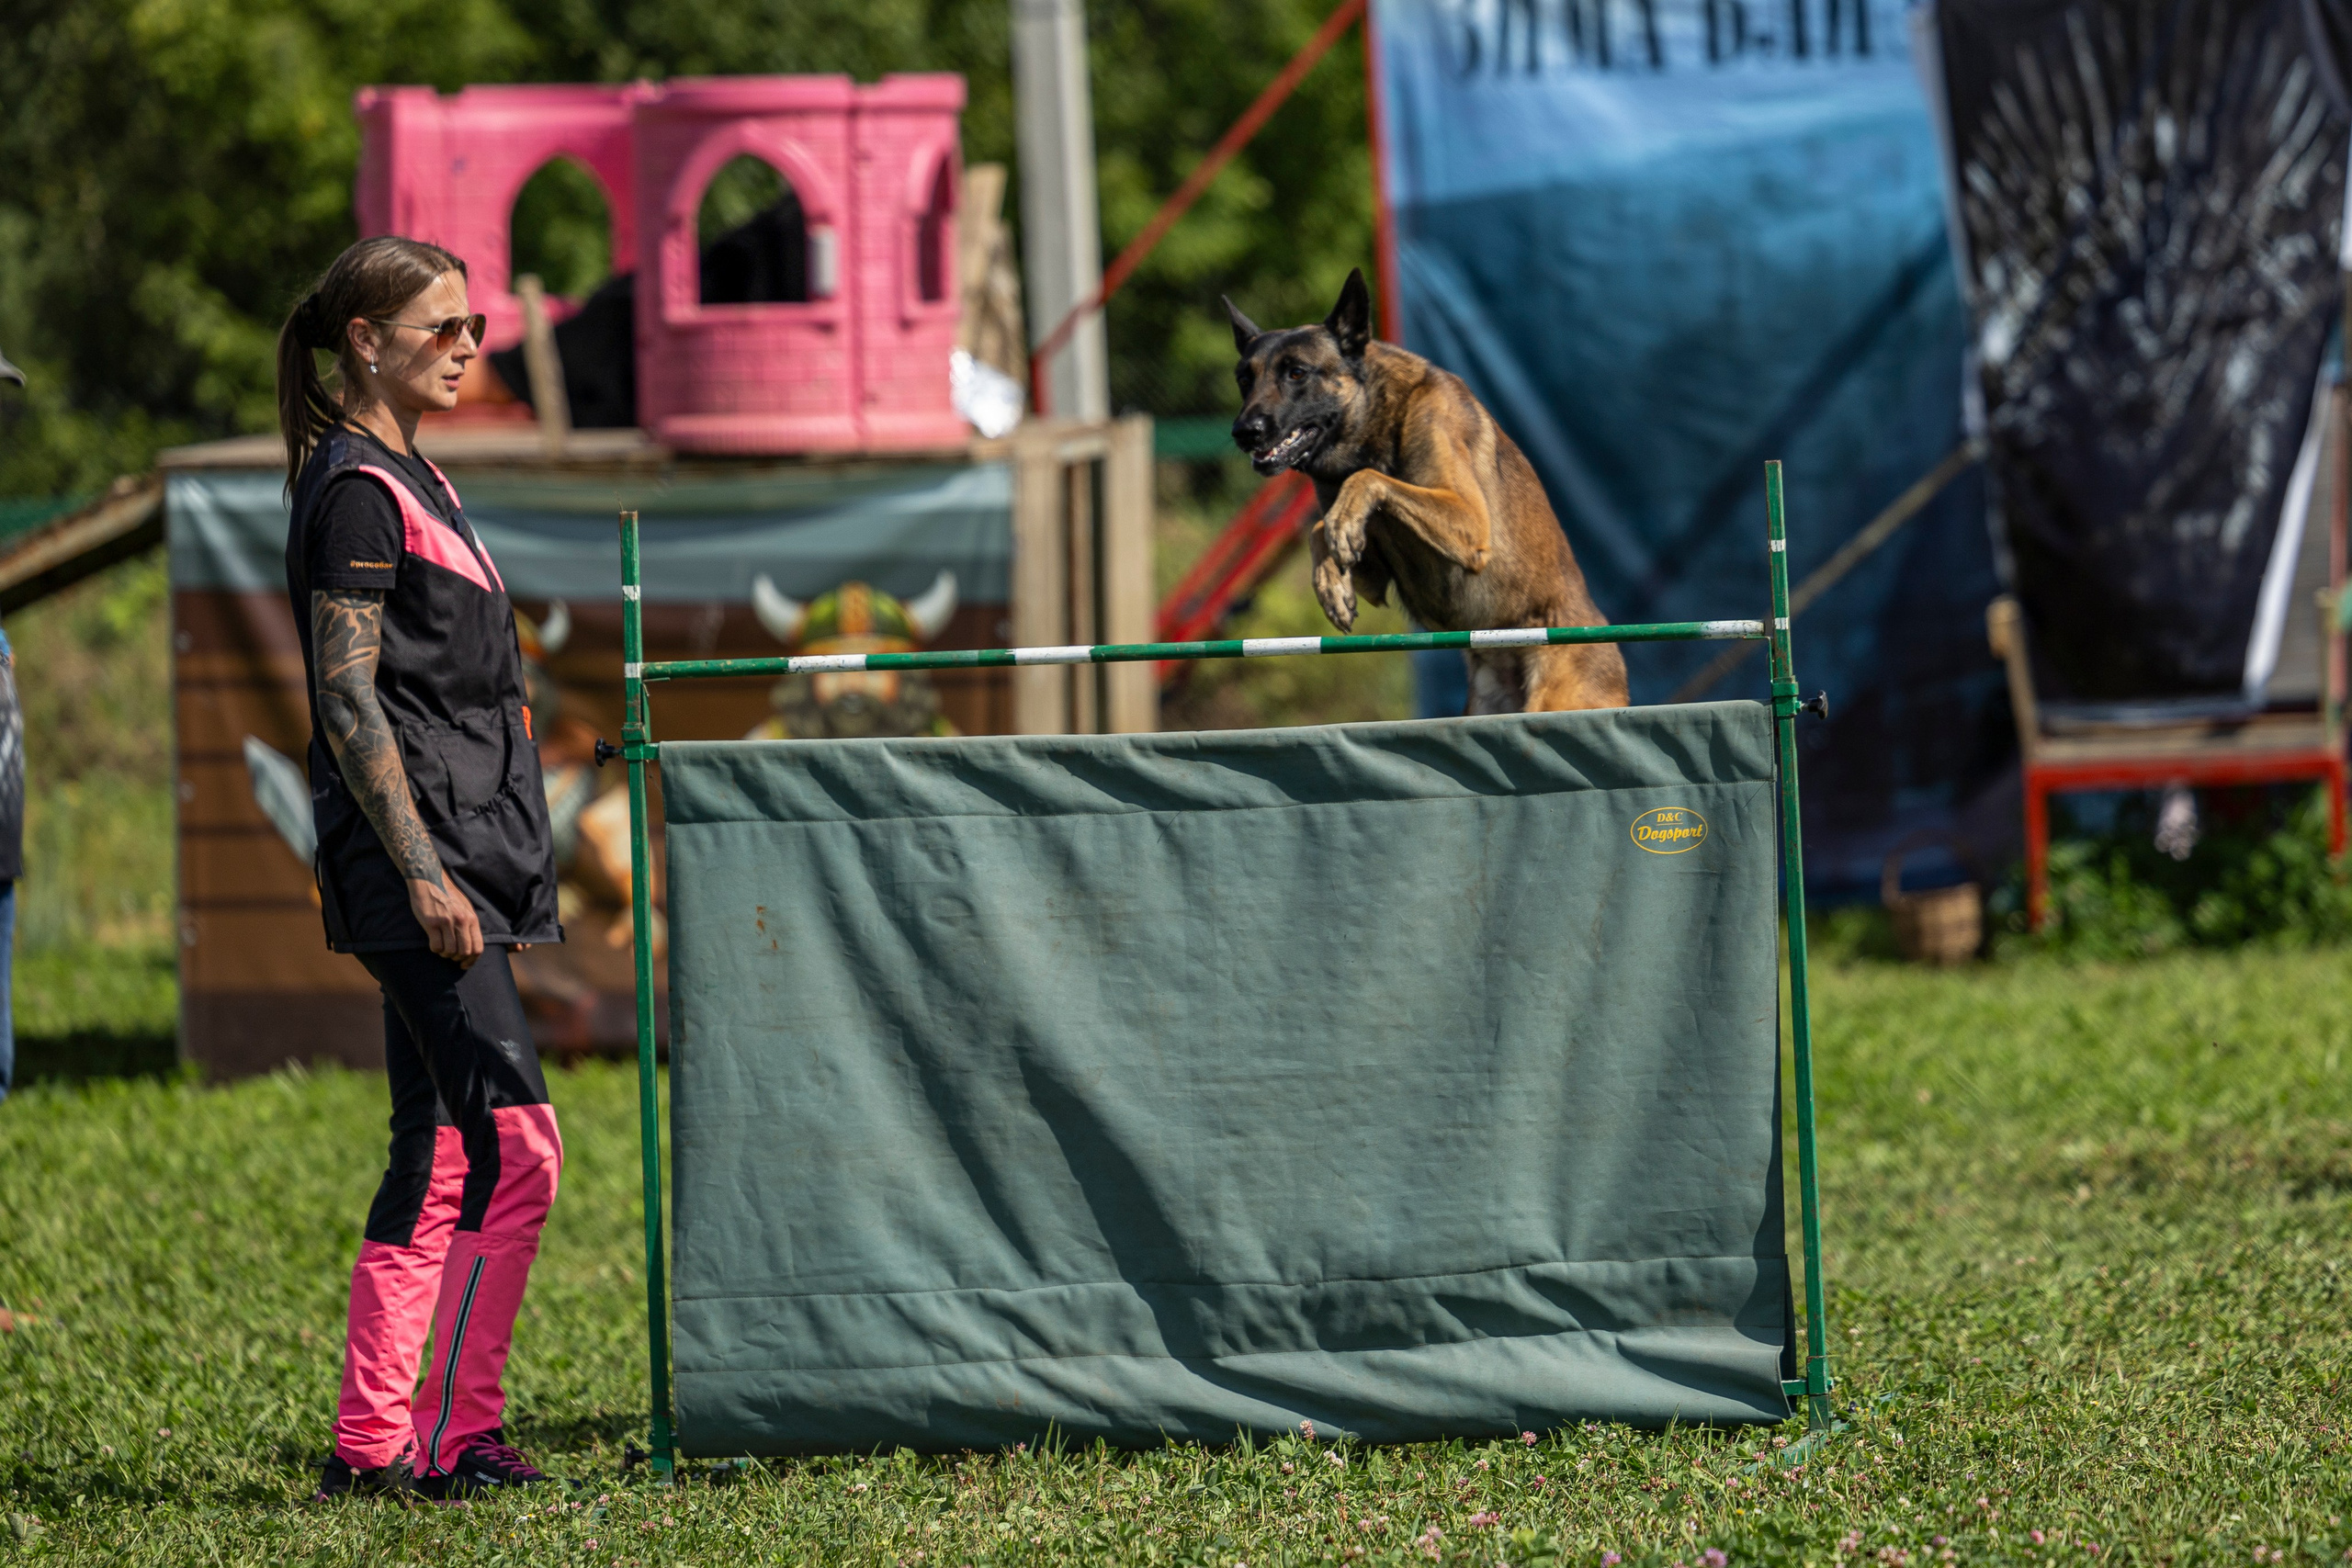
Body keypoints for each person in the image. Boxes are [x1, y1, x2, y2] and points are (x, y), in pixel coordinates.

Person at [275, 237, 564, 1501]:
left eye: (475, 327)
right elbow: (347, 702)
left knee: (441, 1146)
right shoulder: (353, 490)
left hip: (470, 849)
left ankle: (368, 1443)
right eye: (441, 327)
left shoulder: (417, 476)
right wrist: (427, 877)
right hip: (422, 867)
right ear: (365, 342)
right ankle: (456, 1438)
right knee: (523, 1147)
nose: (466, 346)